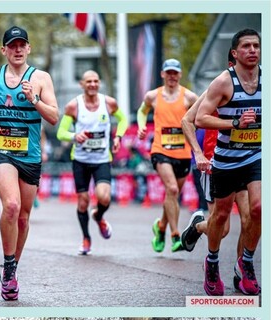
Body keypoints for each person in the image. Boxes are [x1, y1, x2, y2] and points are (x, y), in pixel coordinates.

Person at [0, 26, 59, 301]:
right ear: (4, 50)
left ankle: (12, 267)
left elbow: (54, 117)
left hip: (30, 155)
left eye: (22, 45)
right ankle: (8, 268)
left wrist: (34, 99)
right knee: (11, 205)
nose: (17, 50)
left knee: (23, 217)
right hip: (1, 150)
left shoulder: (41, 78)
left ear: (29, 48)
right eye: (12, 45)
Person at [195, 29, 261, 296]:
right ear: (235, 53)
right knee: (220, 218)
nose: (253, 50)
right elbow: (200, 118)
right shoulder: (224, 82)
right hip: (226, 160)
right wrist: (234, 123)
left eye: (256, 46)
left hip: (256, 155)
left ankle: (246, 263)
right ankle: (212, 263)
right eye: (246, 46)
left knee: (258, 209)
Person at [56, 70, 128, 255]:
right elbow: (61, 132)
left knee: (104, 197)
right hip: (80, 160)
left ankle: (98, 216)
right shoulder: (74, 106)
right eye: (89, 81)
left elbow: (123, 120)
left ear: (99, 83)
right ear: (82, 84)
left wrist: (118, 136)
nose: (93, 84)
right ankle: (86, 238)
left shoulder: (109, 103)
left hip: (102, 159)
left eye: (96, 81)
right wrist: (74, 135)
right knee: (83, 202)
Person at [137, 59, 198, 253]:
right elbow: (141, 111)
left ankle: (160, 227)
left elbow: (201, 115)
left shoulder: (189, 97)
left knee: (173, 195)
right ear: (163, 74)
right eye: (168, 73)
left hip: (183, 152)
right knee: (171, 189)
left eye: (175, 73)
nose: (172, 76)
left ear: (180, 75)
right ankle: (175, 235)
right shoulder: (152, 96)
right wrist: (141, 125)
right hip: (160, 150)